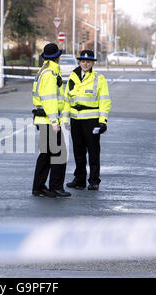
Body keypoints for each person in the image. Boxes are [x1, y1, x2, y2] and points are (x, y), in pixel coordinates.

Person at [65, 50, 112, 191]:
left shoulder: (99, 79)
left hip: (91, 121)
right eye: (83, 61)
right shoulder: (72, 77)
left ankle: (94, 180)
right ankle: (79, 179)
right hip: (75, 120)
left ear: (92, 63)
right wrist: (65, 119)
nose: (85, 64)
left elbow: (105, 101)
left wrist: (103, 121)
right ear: (79, 62)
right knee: (78, 152)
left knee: (93, 152)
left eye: (89, 62)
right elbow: (67, 100)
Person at [32, 43, 71, 198]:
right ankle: (55, 187)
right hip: (48, 121)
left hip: (44, 120)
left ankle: (39, 187)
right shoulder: (50, 74)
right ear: (57, 57)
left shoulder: (45, 71)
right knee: (58, 154)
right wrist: (55, 122)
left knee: (46, 155)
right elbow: (49, 101)